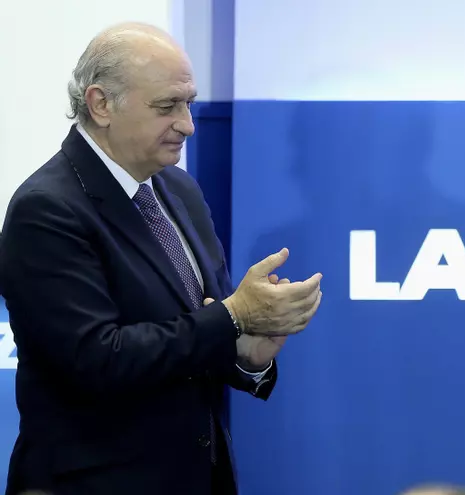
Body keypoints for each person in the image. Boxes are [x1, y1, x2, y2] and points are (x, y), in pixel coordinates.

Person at [0, 23, 322, 495]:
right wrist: (233, 316)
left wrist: (246, 353)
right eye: (167, 106)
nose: (188, 124)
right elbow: (96, 361)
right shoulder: (46, 210)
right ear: (101, 104)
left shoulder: (178, 188)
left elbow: (196, 328)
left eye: (189, 103)